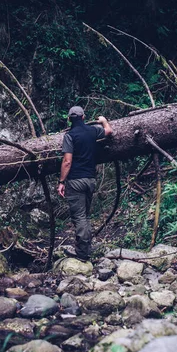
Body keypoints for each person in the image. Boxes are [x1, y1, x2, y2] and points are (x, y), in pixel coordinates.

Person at [57, 106, 112, 261]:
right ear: (83, 117)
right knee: (86, 216)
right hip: (90, 179)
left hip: (75, 181)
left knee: (80, 217)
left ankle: (82, 254)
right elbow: (109, 131)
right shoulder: (93, 130)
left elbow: (67, 161)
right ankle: (86, 249)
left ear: (69, 119)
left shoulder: (70, 135)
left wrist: (61, 182)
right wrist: (104, 121)